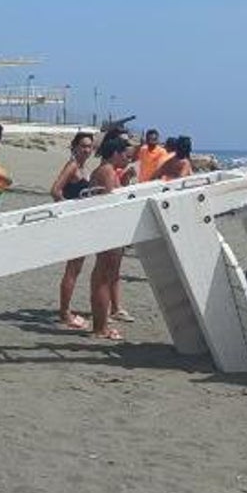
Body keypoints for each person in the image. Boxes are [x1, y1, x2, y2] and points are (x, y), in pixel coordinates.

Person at [88, 137, 133, 340]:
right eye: (125, 154)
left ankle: (101, 325)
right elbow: (109, 202)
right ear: (115, 153)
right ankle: (100, 328)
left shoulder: (107, 171)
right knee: (103, 277)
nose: (127, 158)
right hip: (107, 230)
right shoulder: (106, 171)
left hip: (105, 229)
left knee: (103, 276)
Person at [50, 131, 95, 329]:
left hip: (83, 223)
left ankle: (65, 310)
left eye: (89, 146)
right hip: (75, 223)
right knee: (72, 269)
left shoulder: (83, 167)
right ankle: (64, 312)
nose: (86, 149)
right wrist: (69, 209)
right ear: (74, 147)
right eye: (83, 146)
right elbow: (55, 190)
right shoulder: (73, 166)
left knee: (76, 269)